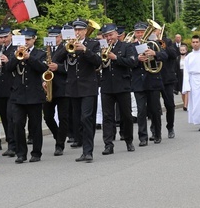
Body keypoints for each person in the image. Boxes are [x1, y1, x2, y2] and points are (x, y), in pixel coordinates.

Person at [53, 18, 102, 163]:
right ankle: (83, 149)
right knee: (77, 120)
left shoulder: (93, 44)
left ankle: (88, 152)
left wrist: (85, 50)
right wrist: (66, 46)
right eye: (75, 30)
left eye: (80, 30)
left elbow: (98, 62)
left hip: (88, 87)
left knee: (86, 118)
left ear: (85, 31)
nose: (77, 32)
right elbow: (56, 59)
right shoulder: (68, 45)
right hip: (73, 88)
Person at [4, 28, 47, 163]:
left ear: (34, 39)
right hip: (18, 94)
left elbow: (43, 68)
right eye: (24, 40)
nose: (26, 42)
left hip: (34, 94)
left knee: (35, 125)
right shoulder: (14, 53)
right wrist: (17, 57)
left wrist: (30, 58)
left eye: (28, 39)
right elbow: (8, 68)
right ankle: (21, 153)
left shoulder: (40, 53)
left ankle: (36, 153)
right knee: (17, 124)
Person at [99, 23, 138, 155]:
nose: (109, 38)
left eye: (110, 35)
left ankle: (128, 140)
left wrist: (116, 58)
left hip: (122, 85)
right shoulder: (101, 48)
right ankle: (108, 144)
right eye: (106, 36)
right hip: (106, 86)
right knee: (107, 117)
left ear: (117, 34)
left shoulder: (127, 46)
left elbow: (133, 62)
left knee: (126, 116)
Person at [130, 22, 168, 146]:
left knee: (155, 110)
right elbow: (128, 62)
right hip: (138, 82)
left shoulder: (153, 44)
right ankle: (143, 137)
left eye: (142, 32)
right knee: (141, 110)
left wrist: (155, 54)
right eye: (138, 32)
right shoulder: (130, 46)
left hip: (152, 81)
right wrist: (137, 59)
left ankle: (157, 134)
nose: (140, 34)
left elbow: (165, 56)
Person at [43, 25, 70, 156]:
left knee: (63, 117)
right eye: (51, 36)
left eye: (56, 36)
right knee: (47, 117)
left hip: (63, 87)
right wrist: (42, 81)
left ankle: (60, 144)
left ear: (61, 37)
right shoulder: (45, 50)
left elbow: (70, 68)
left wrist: (58, 67)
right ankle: (58, 135)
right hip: (48, 87)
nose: (53, 38)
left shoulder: (67, 48)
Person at [0, 26, 17, 157]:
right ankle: (9, 140)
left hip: (12, 86)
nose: (3, 40)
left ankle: (14, 144)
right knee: (5, 117)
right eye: (1, 38)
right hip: (0, 87)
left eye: (5, 37)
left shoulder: (16, 48)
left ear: (11, 36)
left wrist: (7, 61)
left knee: (11, 116)